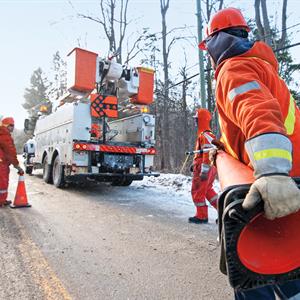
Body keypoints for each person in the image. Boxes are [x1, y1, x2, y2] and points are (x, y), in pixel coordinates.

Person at [199, 7, 300, 299]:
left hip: (271, 193)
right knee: (288, 270)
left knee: (255, 276)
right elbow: (252, 127)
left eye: (208, 48)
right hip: (288, 188)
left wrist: (273, 172)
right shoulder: (261, 68)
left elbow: (257, 111)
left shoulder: (234, 68)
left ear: (215, 41)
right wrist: (223, 149)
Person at [189, 108, 218, 224]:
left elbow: (207, 153)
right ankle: (223, 212)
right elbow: (202, 154)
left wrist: (204, 171)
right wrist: (194, 164)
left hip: (204, 168)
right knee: (207, 191)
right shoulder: (207, 135)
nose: (195, 122)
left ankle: (201, 216)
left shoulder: (205, 135)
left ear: (201, 120)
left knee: (197, 191)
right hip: (208, 167)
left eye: (197, 120)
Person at [0, 117, 24, 206]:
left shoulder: (2, 134)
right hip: (1, 164)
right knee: (2, 183)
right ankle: (1, 201)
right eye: (11, 125)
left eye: (13, 125)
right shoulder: (5, 136)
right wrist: (17, 166)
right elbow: (10, 152)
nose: (13, 127)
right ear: (6, 126)